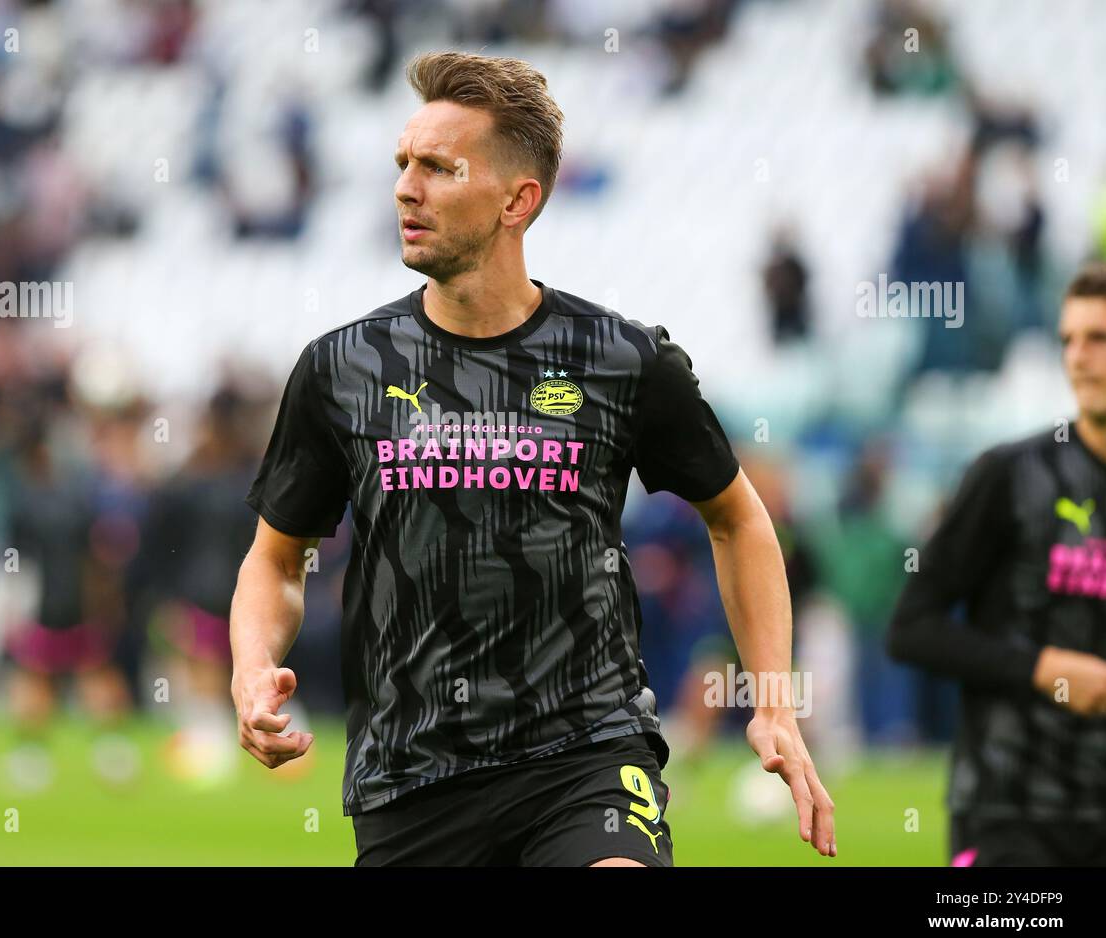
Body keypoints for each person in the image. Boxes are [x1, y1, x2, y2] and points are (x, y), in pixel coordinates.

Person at [231, 51, 835, 867]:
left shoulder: (621, 361)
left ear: (519, 200)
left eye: (440, 168)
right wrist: (250, 666)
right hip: (412, 778)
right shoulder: (343, 367)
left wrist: (771, 701)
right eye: (403, 163)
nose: (407, 188)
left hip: (587, 755)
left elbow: (736, 518)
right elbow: (277, 558)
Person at [888, 261, 1106, 866]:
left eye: (1100, 338)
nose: (1078, 357)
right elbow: (911, 630)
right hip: (1009, 813)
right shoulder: (1010, 476)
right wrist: (1041, 667)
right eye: (1068, 339)